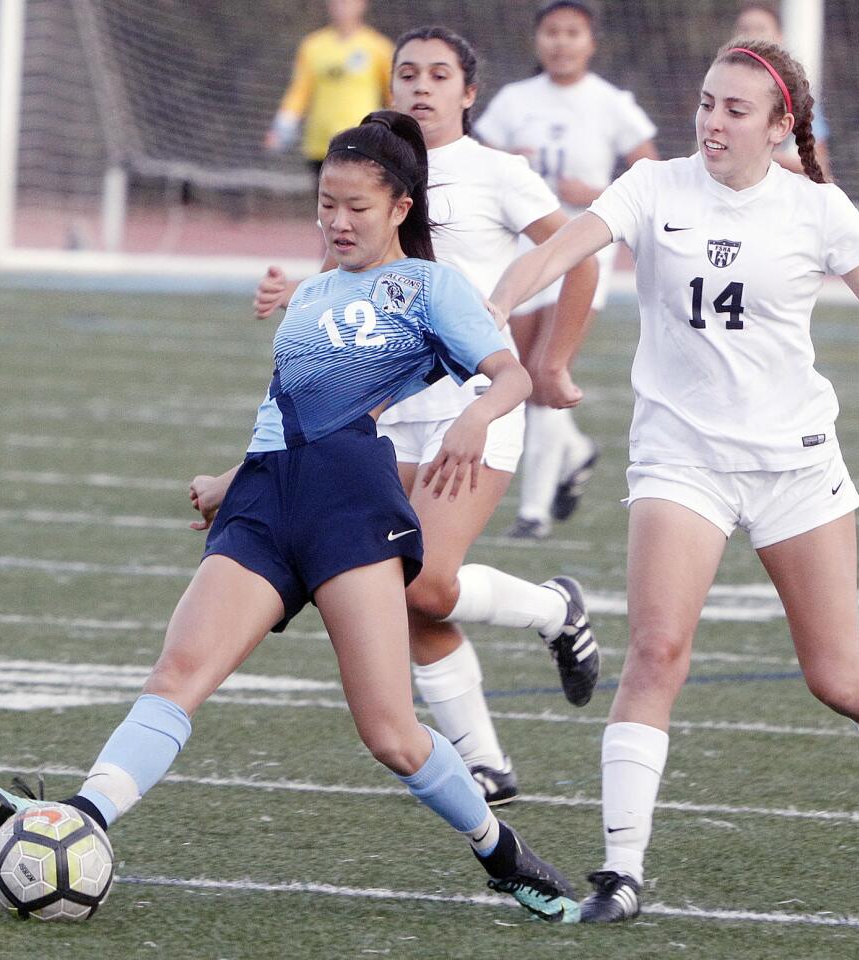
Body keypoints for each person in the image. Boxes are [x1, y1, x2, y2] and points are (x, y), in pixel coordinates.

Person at [489, 38, 859, 921]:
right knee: (656, 651)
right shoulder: (653, 186)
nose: (712, 121)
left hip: (795, 465)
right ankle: (621, 871)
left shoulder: (816, 209)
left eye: (734, 109)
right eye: (705, 103)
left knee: (839, 677)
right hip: (681, 459)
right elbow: (558, 254)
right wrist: (492, 307)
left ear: (779, 127)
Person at [0, 112, 583, 923]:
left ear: (401, 206)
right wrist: (233, 476)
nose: (337, 221)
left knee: (392, 734)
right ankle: (79, 816)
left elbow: (510, 377)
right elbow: (283, 407)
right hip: (265, 501)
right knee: (178, 675)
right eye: (326, 203)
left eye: (357, 206)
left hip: (349, 505)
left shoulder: (433, 288)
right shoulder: (313, 292)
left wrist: (475, 415)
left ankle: (499, 853)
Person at [240, 25, 603, 808]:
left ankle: (551, 608)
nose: (421, 87)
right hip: (380, 410)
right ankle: (486, 762)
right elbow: (356, 269)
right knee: (406, 588)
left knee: (427, 578)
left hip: (474, 403)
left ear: (470, 94)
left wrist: (553, 361)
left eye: (440, 75)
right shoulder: (373, 174)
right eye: (407, 73)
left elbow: (583, 252)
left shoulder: (497, 173)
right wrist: (293, 294)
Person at [475, 0, 659, 540]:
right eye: (551, 32)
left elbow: (648, 169)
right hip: (528, 251)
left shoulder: (609, 102)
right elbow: (481, 161)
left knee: (543, 370)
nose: (561, 42)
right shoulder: (514, 100)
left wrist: (595, 193)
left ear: (591, 41)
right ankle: (575, 452)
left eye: (572, 32)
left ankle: (532, 513)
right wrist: (513, 160)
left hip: (585, 252)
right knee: (518, 372)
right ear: (537, 40)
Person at [264, 0, 394, 178]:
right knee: (325, 203)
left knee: (356, 201)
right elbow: (299, 92)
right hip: (320, 145)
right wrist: (282, 129)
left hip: (362, 144)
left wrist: (401, 132)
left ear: (362, 4)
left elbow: (392, 94)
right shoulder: (312, 46)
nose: (342, 6)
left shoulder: (379, 47)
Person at [732, 1, 830, 179]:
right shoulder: (718, 90)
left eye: (760, 29)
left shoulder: (797, 96)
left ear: (779, 36)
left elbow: (819, 166)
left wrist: (763, 155)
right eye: (745, 29)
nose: (752, 36)